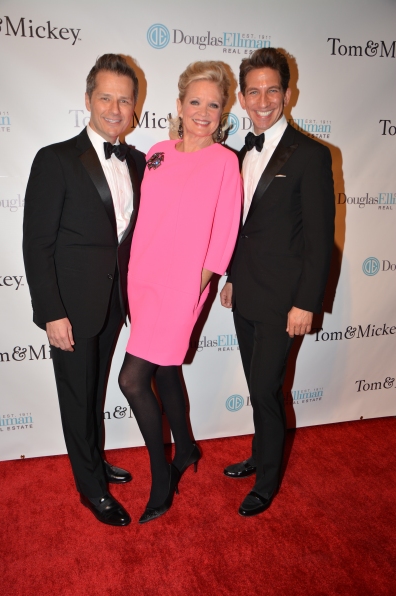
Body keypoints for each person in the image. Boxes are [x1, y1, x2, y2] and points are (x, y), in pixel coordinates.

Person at [23, 54, 146, 527]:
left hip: (114, 304)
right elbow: (37, 244)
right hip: (70, 308)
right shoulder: (55, 159)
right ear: (88, 100)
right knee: (76, 397)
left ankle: (96, 460)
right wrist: (51, 312)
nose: (115, 108)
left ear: (135, 106)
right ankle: (90, 488)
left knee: (94, 392)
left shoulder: (138, 161)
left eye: (124, 99)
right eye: (105, 97)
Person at [118, 61, 242, 524]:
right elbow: (147, 218)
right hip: (144, 280)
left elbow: (225, 234)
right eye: (195, 102)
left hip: (183, 286)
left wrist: (196, 286)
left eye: (213, 104)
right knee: (165, 368)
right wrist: (135, 277)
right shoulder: (157, 152)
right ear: (179, 106)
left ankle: (162, 474)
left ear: (223, 111)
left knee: (131, 380)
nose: (203, 112)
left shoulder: (225, 162)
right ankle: (186, 448)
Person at [220, 48, 335, 517]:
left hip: (284, 301)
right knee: (256, 385)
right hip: (245, 292)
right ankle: (260, 453)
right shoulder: (240, 151)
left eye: (272, 90)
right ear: (243, 99)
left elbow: (320, 239)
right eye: (254, 91)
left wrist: (306, 303)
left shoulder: (311, 155)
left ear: (288, 94)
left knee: (267, 390)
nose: (263, 99)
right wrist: (230, 278)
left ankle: (267, 482)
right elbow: (239, 225)